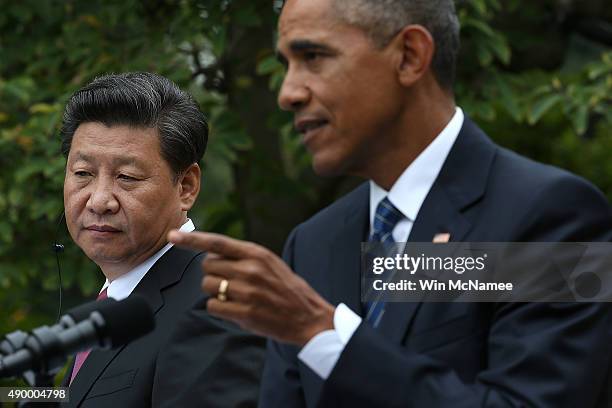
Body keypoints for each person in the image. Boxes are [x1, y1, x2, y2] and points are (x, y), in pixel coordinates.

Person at [169, 0, 612, 406]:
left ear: (409, 56)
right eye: (287, 64)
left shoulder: (552, 215)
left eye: (314, 57)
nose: (288, 92)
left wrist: (322, 332)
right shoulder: (314, 244)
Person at [60, 72, 265, 407]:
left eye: (126, 177)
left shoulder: (216, 305)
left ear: (186, 187)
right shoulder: (112, 302)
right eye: (83, 174)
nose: (98, 200)